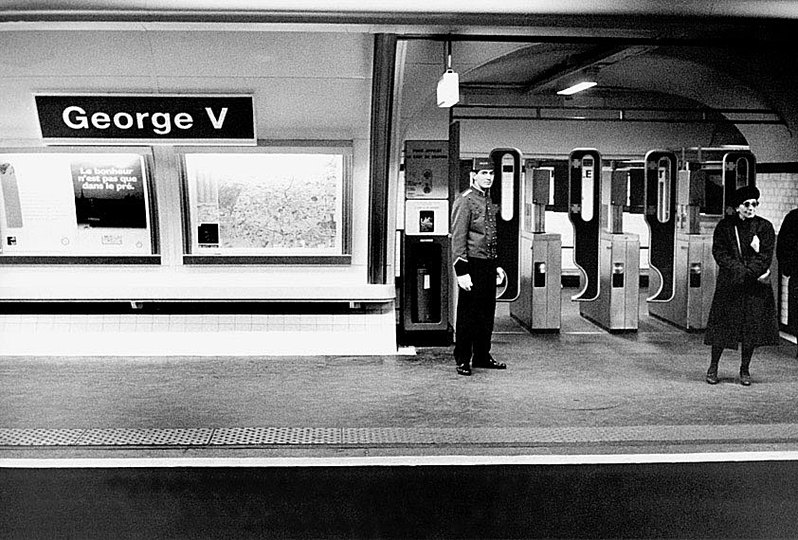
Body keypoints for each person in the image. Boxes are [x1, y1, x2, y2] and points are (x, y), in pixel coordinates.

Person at [704, 185, 779, 386]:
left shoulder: (765, 227)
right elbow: (720, 253)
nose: (750, 208)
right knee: (722, 327)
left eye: (754, 204)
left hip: (754, 287)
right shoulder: (725, 227)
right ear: (737, 207)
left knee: (750, 328)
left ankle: (745, 369)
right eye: (746, 204)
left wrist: (749, 272)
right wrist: (741, 271)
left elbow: (766, 257)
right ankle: (713, 366)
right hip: (731, 285)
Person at [450, 157, 507, 376]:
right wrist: (461, 271)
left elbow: (491, 236)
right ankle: (463, 358)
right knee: (468, 315)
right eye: (484, 173)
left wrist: (497, 265)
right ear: (473, 175)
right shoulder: (465, 200)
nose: (488, 177)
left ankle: (482, 355)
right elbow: (458, 238)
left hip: (487, 264)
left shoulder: (488, 199)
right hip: (471, 264)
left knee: (486, 314)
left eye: (491, 174)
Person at [777, 207, 798, 357]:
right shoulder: (793, 217)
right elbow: (783, 245)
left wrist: (787, 268)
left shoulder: (793, 217)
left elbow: (783, 245)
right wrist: (788, 268)